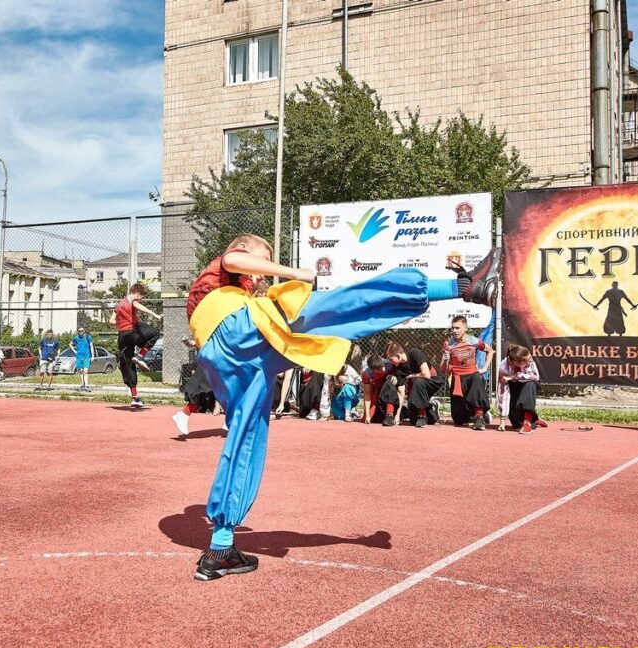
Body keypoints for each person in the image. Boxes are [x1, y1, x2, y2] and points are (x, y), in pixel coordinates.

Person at [187, 233, 498, 580]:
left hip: (227, 364)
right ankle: (461, 287)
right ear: (244, 248)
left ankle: (220, 547)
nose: (262, 271)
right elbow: (234, 260)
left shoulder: (234, 292)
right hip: (238, 335)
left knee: (245, 441)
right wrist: (295, 273)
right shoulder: (226, 269)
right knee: (335, 305)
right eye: (263, 258)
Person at [111, 283, 161, 408]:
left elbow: (111, 321)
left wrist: (121, 322)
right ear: (137, 294)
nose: (141, 298)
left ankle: (135, 398)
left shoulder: (119, 304)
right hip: (133, 331)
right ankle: (140, 355)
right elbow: (137, 305)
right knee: (155, 333)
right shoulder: (133, 300)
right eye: (141, 296)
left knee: (129, 365)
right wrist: (154, 314)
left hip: (123, 336)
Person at [441, 315, 492, 430]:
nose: (454, 331)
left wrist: (485, 367)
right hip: (457, 379)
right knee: (459, 420)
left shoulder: (474, 341)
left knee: (477, 377)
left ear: (465, 328)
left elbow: (490, 351)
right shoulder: (448, 343)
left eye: (457, 328)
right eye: (453, 328)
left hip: (472, 375)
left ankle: (479, 415)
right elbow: (443, 370)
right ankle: (481, 415)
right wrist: (444, 360)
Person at [382, 342, 444, 428]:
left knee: (418, 381)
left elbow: (426, 374)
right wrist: (397, 415)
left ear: (398, 355)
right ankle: (431, 408)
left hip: (432, 381)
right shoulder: (399, 369)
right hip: (417, 389)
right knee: (414, 420)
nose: (390, 362)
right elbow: (401, 392)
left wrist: (412, 376)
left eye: (391, 359)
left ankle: (422, 416)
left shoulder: (414, 353)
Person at [497, 344, 544, 434]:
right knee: (517, 425)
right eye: (526, 360)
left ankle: (527, 421)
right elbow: (502, 394)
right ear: (515, 362)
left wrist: (515, 376)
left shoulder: (528, 360)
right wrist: (502, 421)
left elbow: (535, 376)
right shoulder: (503, 367)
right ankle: (534, 420)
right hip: (513, 387)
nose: (530, 360)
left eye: (529, 358)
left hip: (528, 385)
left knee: (529, 384)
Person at [360, 354, 393, 424]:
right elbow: (367, 394)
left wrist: (394, 375)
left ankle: (390, 413)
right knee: (371, 417)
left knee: (390, 383)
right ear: (372, 370)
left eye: (382, 367)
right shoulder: (366, 373)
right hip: (377, 386)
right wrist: (367, 415)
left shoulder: (389, 363)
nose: (383, 370)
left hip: (389, 385)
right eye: (379, 370)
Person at [69, 326, 94, 392]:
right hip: (79, 357)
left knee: (85, 371)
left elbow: (91, 346)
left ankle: (86, 385)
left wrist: (92, 356)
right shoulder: (76, 338)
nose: (81, 332)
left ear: (84, 331)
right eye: (79, 331)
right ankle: (82, 385)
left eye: (82, 331)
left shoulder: (88, 337)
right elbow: (70, 344)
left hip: (86, 357)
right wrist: (74, 351)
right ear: (78, 332)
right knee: (81, 371)